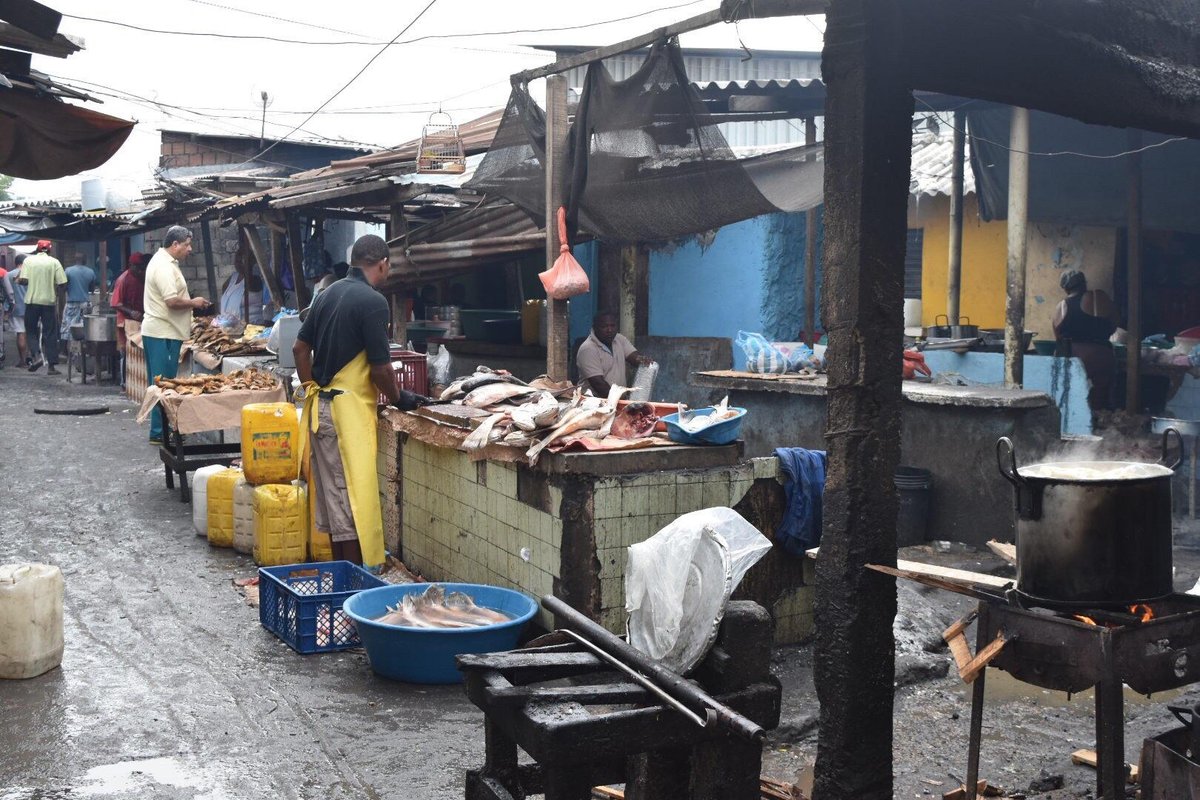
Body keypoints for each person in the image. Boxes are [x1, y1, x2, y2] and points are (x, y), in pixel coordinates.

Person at [294, 234, 430, 571]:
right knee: (351, 505)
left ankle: (342, 588)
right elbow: (381, 368)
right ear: (382, 264)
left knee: (336, 506)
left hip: (321, 411)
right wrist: (400, 398)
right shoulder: (373, 302)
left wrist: (314, 386)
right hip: (344, 417)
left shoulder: (326, 294)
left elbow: (299, 349)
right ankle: (352, 594)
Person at [143, 226, 208, 445]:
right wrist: (194, 302)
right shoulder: (163, 266)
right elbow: (171, 301)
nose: (190, 249)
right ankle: (159, 432)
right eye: (187, 245)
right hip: (164, 332)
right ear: (175, 245)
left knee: (159, 383)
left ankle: (160, 429)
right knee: (164, 385)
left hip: (164, 331)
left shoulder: (166, 263)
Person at [1052, 269, 1118, 410]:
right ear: (1084, 283)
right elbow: (1113, 326)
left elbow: (1058, 337)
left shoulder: (1062, 306)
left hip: (1074, 358)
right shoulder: (1102, 299)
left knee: (1072, 400)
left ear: (1065, 287)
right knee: (1100, 401)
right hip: (1103, 357)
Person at [18, 240, 67, 375]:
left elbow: (24, 280)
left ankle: (37, 356)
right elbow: (62, 283)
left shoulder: (28, 261)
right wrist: (56, 290)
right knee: (50, 333)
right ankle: (51, 367)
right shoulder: (54, 262)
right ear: (49, 250)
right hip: (49, 302)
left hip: (32, 301)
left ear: (37, 249)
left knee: (31, 331)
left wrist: (20, 281)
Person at [576, 310, 652, 397]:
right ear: (595, 327)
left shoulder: (619, 339)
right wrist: (620, 402)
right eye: (604, 326)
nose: (609, 330)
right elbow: (599, 384)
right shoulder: (588, 349)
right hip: (594, 402)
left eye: (613, 326)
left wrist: (643, 360)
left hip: (616, 399)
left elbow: (634, 358)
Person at [110, 252, 147, 387]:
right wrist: (131, 312)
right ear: (131, 266)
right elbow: (115, 303)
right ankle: (124, 382)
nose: (140, 270)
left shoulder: (142, 277)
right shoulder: (123, 279)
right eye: (138, 268)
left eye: (142, 268)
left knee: (139, 351)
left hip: (140, 319)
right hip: (126, 320)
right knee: (126, 351)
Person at [60, 252, 97, 343]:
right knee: (84, 327)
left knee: (67, 327)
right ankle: (84, 349)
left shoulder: (68, 271)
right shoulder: (90, 272)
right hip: (85, 303)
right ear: (85, 260)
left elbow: (63, 288)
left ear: (75, 260)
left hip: (72, 303)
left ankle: (65, 351)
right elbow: (92, 289)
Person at [8, 254, 34, 367]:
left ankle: (22, 360)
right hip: (31, 307)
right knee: (30, 333)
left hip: (16, 308)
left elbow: (6, 292)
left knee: (21, 333)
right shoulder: (31, 274)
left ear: (16, 263)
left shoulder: (9, 275)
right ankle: (30, 357)